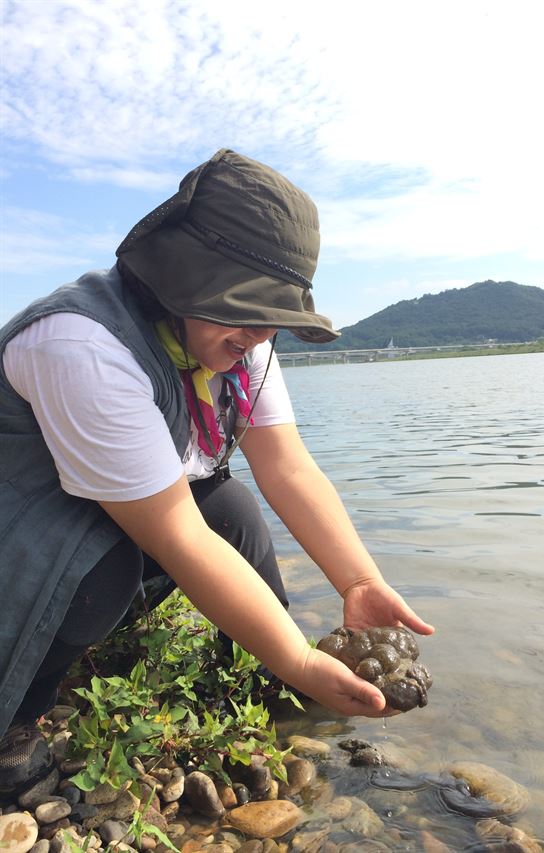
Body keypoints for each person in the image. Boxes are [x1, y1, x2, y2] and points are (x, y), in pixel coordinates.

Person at [0, 148, 434, 794]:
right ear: (180, 276)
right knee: (96, 568)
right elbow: (178, 534)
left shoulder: (240, 343)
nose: (261, 331)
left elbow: (287, 467)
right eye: (246, 304)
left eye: (274, 313)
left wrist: (358, 579)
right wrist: (297, 654)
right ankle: (18, 712)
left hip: (100, 510)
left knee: (230, 508)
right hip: (20, 531)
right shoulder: (83, 345)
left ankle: (261, 689)